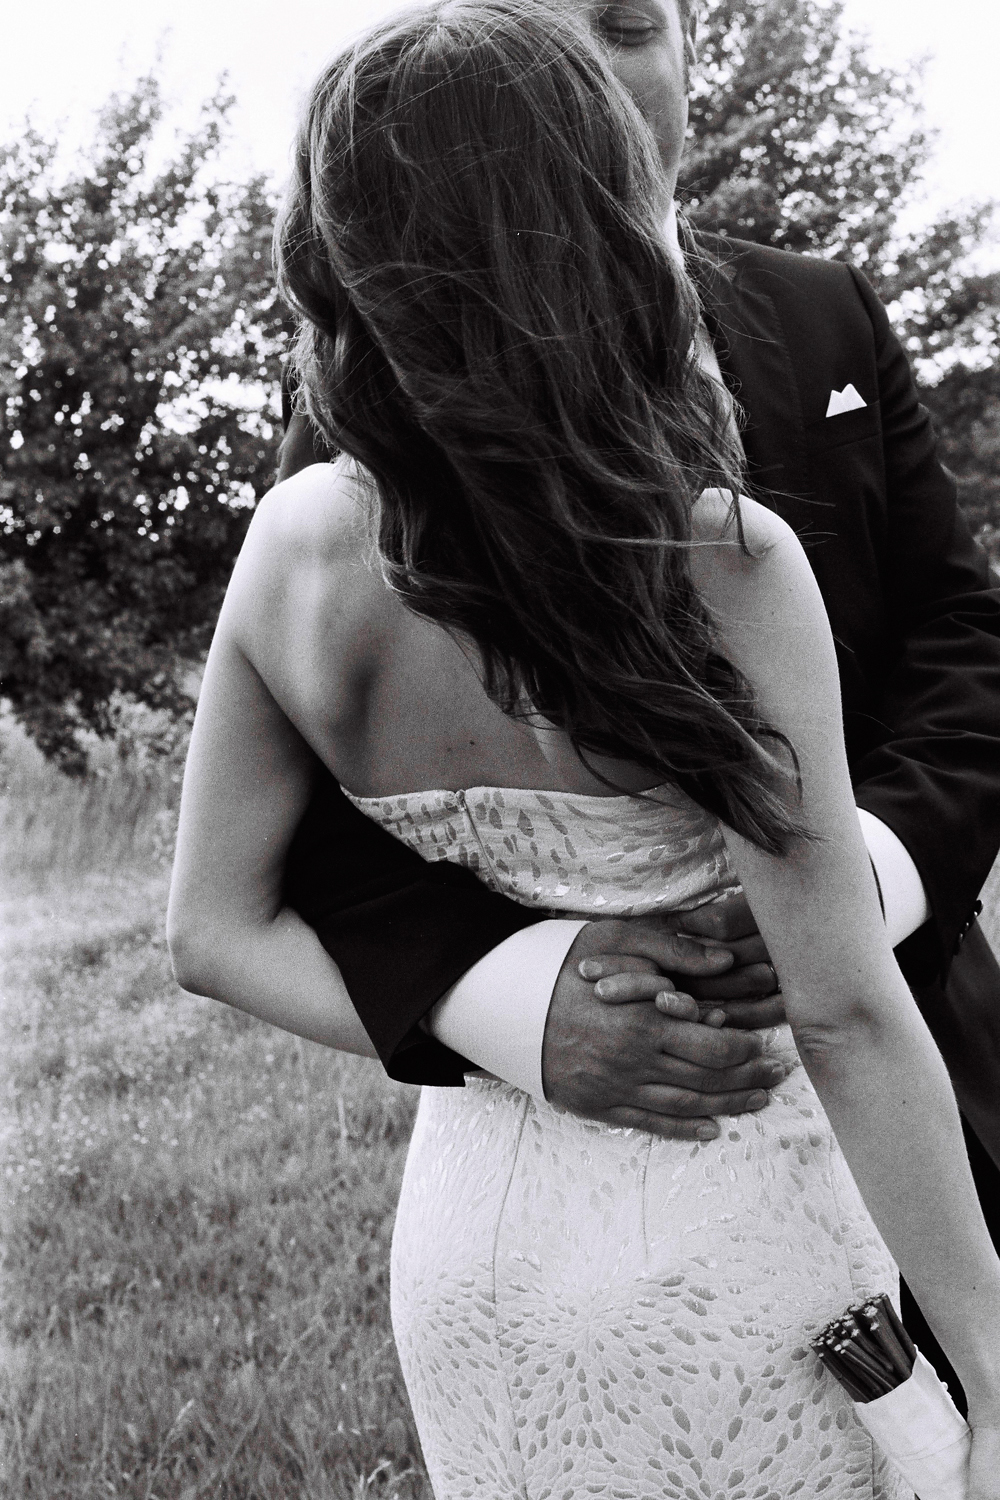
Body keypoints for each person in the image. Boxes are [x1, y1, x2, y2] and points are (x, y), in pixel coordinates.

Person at [168, 2, 1000, 1495]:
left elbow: (211, 929)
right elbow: (845, 1021)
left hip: (478, 1253)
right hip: (749, 1242)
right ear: (603, 211)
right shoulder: (718, 559)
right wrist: (996, 1369)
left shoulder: (296, 546)